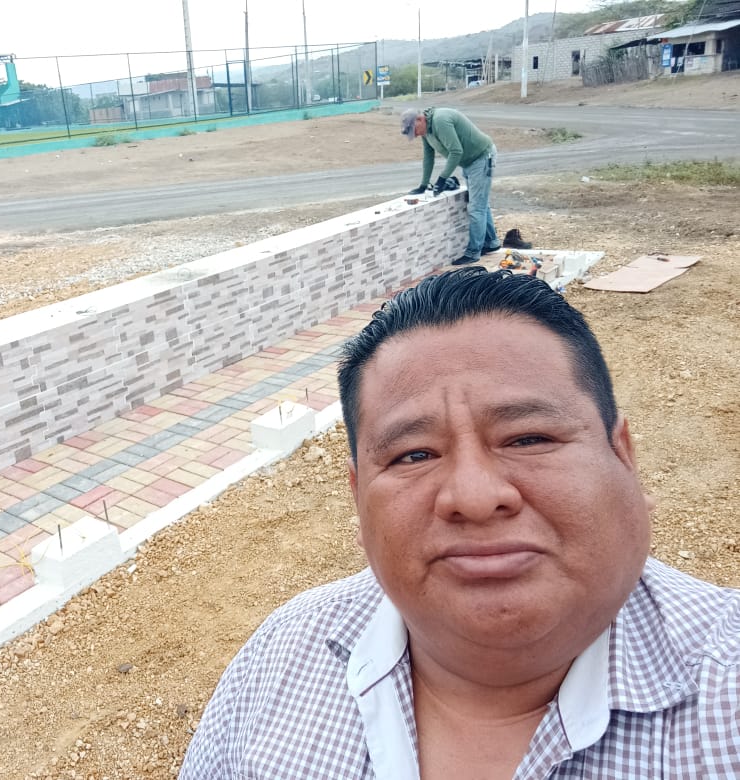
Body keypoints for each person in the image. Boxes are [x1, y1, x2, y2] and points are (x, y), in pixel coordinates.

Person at [179, 268, 740, 779]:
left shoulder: (725, 689)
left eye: (528, 438)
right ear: (358, 496)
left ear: (623, 456)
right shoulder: (280, 656)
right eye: (414, 455)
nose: (474, 498)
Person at [400, 106, 532, 266]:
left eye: (414, 130)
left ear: (420, 119)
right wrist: (423, 184)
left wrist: (442, 179)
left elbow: (456, 151)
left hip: (481, 157)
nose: (415, 135)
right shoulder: (426, 131)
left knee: (476, 208)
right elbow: (428, 156)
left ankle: (473, 252)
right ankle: (491, 242)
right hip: (469, 162)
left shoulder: (440, 121)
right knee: (480, 204)